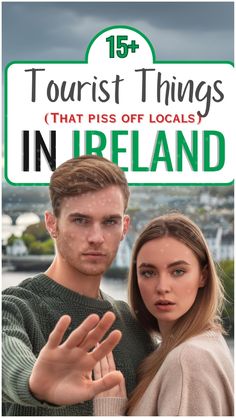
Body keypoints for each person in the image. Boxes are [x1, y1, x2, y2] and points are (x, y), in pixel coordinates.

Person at [2, 155, 155, 416]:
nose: (96, 238)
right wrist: (33, 383)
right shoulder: (14, 308)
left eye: (109, 222)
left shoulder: (135, 325)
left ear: (124, 227)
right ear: (52, 224)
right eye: (80, 220)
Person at [93, 213, 234, 416]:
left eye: (178, 271)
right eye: (148, 273)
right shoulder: (204, 343)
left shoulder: (188, 359)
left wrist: (109, 412)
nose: (162, 287)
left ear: (202, 276)